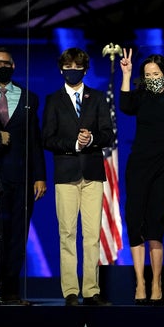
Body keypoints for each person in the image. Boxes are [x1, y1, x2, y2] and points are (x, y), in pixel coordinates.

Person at [118, 14, 164, 305]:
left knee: (156, 226)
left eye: (156, 75)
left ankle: (157, 281)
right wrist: (126, 74)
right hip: (138, 166)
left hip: (163, 168)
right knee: (135, 222)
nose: (151, 79)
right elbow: (125, 106)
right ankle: (139, 283)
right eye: (147, 76)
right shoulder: (141, 96)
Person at [42, 47, 115, 306]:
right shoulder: (53, 100)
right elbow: (47, 138)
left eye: (77, 67)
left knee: (92, 235)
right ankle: (71, 291)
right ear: (62, 69)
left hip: (93, 173)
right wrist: (74, 144)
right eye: (68, 67)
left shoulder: (96, 98)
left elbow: (109, 134)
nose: (72, 71)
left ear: (85, 69)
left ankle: (92, 291)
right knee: (67, 234)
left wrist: (92, 139)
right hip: (66, 173)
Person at [0, 47, 47, 305]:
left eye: (7, 63)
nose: (2, 66)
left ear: (14, 66)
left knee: (16, 235)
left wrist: (40, 176)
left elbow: (35, 140)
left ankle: (10, 290)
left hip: (20, 177)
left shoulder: (29, 97)